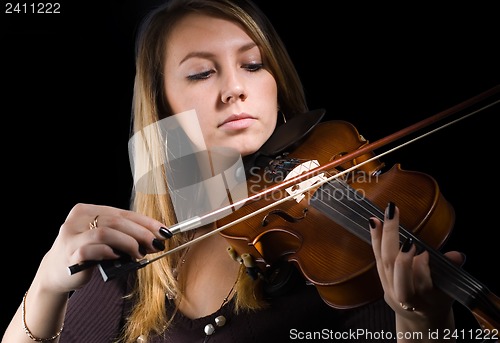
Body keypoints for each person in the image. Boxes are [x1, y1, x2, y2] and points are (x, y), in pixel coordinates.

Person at [2, 0, 468, 342]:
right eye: (202, 73)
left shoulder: (339, 251)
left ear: (276, 83)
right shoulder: (142, 260)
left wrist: (421, 324)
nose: (235, 89)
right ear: (162, 107)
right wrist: (46, 281)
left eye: (251, 64)